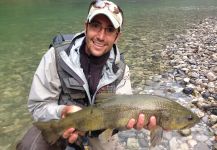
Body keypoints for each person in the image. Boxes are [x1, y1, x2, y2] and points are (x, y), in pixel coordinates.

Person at [17, 0, 156, 150]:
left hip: (99, 133)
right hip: (63, 123)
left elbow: (125, 115)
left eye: (109, 30)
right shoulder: (57, 56)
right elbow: (38, 106)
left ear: (117, 36)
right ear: (86, 27)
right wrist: (61, 112)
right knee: (28, 146)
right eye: (96, 26)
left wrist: (139, 122)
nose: (101, 36)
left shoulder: (121, 71)